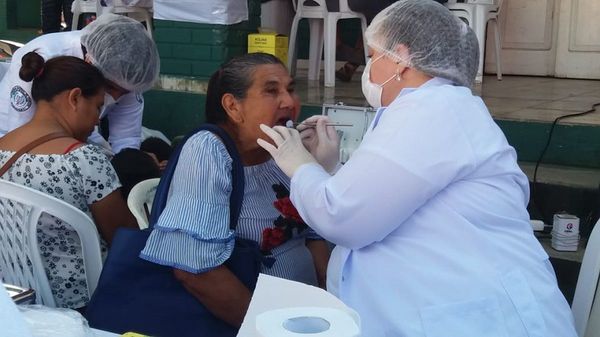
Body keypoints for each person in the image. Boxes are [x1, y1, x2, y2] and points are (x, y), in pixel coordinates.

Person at [257, 1, 577, 336]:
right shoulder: (437, 111)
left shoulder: (431, 111)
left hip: (479, 320)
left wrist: (302, 166)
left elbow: (344, 217)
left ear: (401, 58)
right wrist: (331, 170)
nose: (367, 69)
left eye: (372, 55)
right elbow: (389, 202)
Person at [139, 53, 330, 328]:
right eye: (271, 90)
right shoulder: (208, 151)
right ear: (232, 106)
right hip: (246, 324)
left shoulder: (286, 150)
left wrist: (327, 299)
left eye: (290, 89)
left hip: (304, 318)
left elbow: (312, 234)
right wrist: (265, 329)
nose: (289, 101)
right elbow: (195, 270)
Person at [0, 52, 138, 309]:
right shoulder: (84, 160)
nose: (98, 120)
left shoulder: (1, 148)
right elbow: (124, 238)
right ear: (75, 98)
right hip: (84, 304)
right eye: (97, 106)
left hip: (15, 298)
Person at [0, 13, 160, 155]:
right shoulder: (43, 58)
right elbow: (21, 135)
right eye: (110, 87)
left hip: (77, 139)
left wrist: (131, 166)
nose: (116, 98)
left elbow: (126, 139)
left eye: (125, 93)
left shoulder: (128, 77)